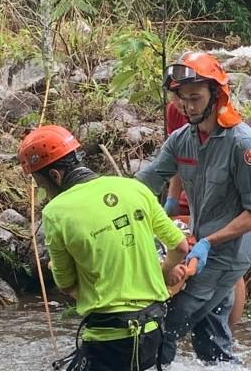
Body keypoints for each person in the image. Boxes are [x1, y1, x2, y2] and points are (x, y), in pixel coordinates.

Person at [18, 125, 189, 371]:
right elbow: (180, 246)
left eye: (41, 184)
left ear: (55, 175)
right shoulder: (134, 188)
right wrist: (163, 271)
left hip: (107, 341)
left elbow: (66, 284)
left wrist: (57, 268)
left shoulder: (55, 213)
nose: (43, 193)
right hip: (152, 333)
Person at [136, 51, 251, 365]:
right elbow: (148, 178)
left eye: (195, 98)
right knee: (212, 346)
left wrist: (209, 242)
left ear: (217, 95)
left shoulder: (243, 145)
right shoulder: (182, 139)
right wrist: (110, 198)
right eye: (183, 99)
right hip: (197, 245)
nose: (188, 107)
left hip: (225, 256)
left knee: (165, 327)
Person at [163, 96, 247, 328]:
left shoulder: (220, 113)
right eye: (178, 97)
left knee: (227, 264)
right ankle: (195, 319)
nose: (184, 104)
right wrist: (172, 198)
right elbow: (176, 157)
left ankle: (230, 326)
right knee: (183, 255)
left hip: (218, 196)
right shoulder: (174, 110)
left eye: (190, 96)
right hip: (188, 195)